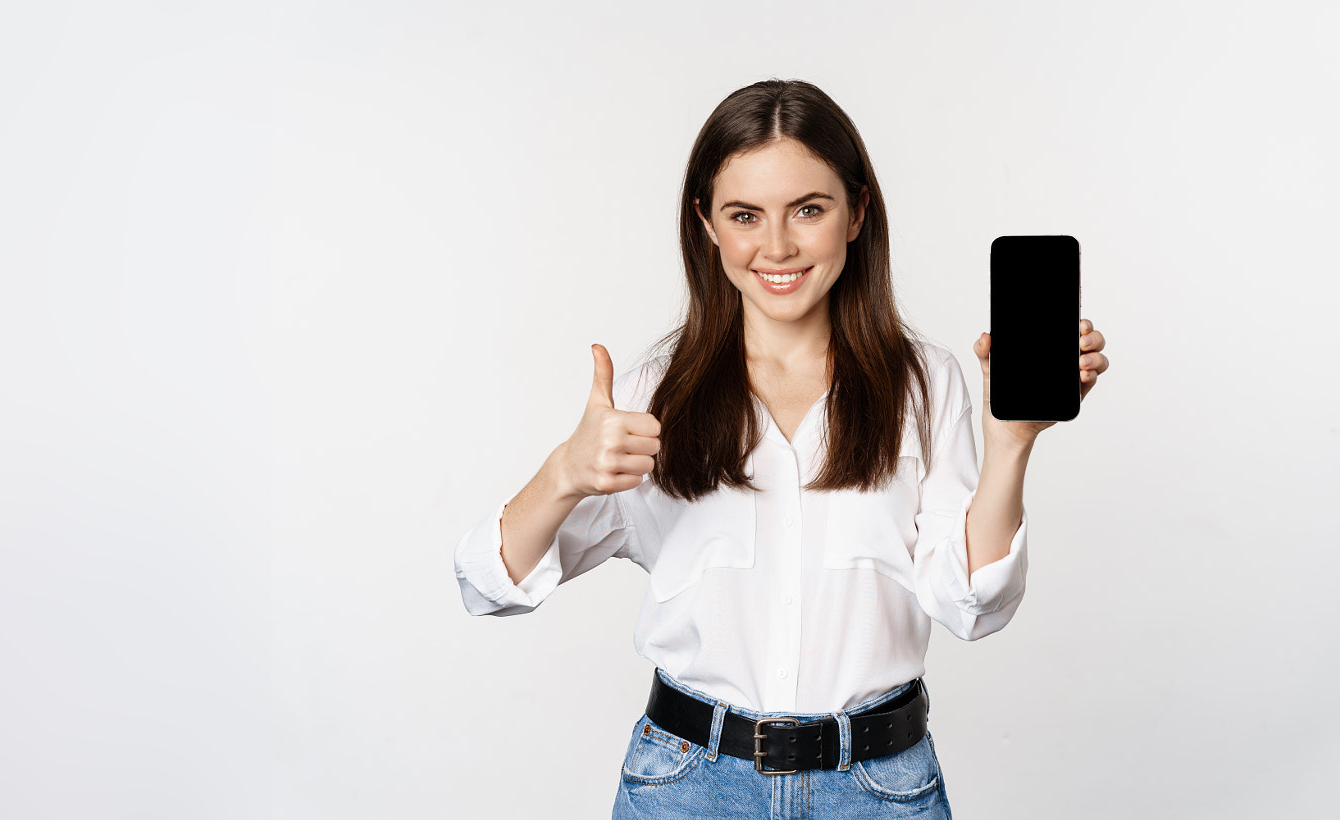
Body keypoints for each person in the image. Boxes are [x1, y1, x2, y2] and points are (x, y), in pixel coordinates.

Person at [451, 79, 1111, 819]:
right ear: (706, 222)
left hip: (879, 788)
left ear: (857, 213)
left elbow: (971, 605)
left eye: (808, 209)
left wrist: (1011, 443)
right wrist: (565, 474)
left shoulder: (926, 385)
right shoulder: (649, 394)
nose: (777, 246)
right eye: (744, 215)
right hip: (687, 789)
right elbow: (485, 584)